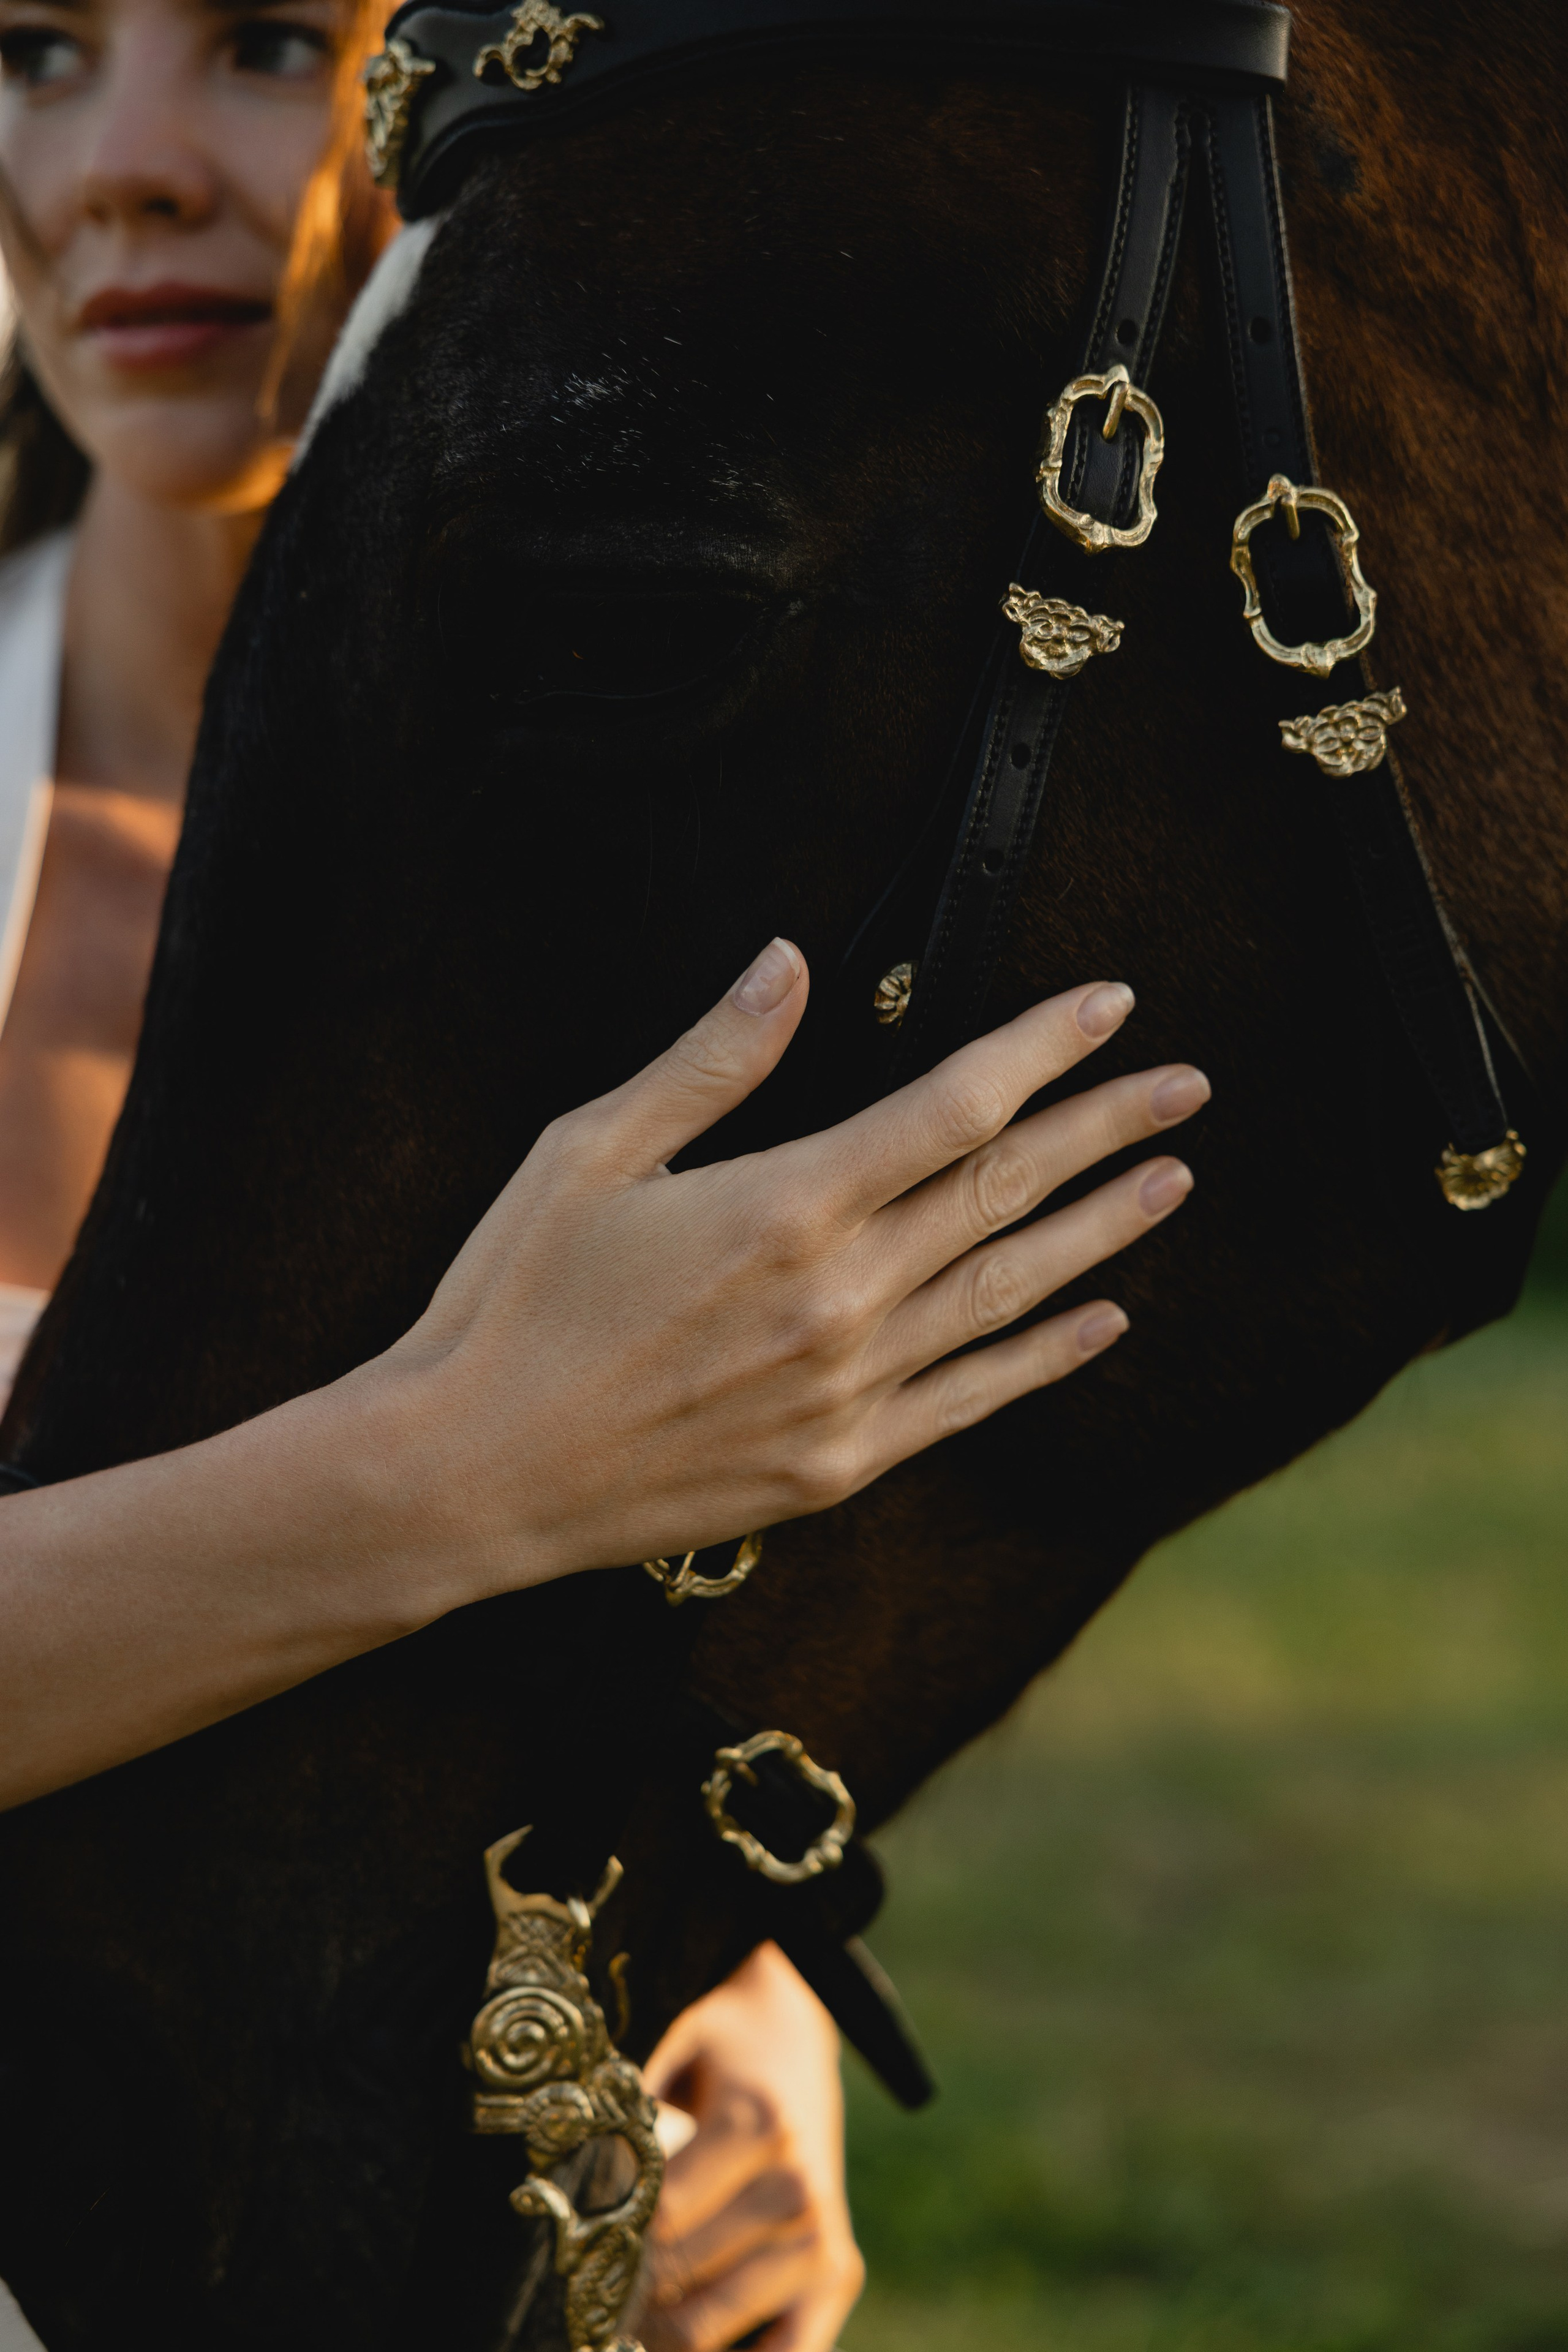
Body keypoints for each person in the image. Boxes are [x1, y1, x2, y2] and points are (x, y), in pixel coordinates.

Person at [0, 0, 1209, 2343]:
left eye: (263, 41)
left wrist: (690, 1981)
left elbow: (676, 1585)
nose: (125, 164)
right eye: (38, 54)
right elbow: (505, 1507)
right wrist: (454, 1471)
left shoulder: (666, 833)